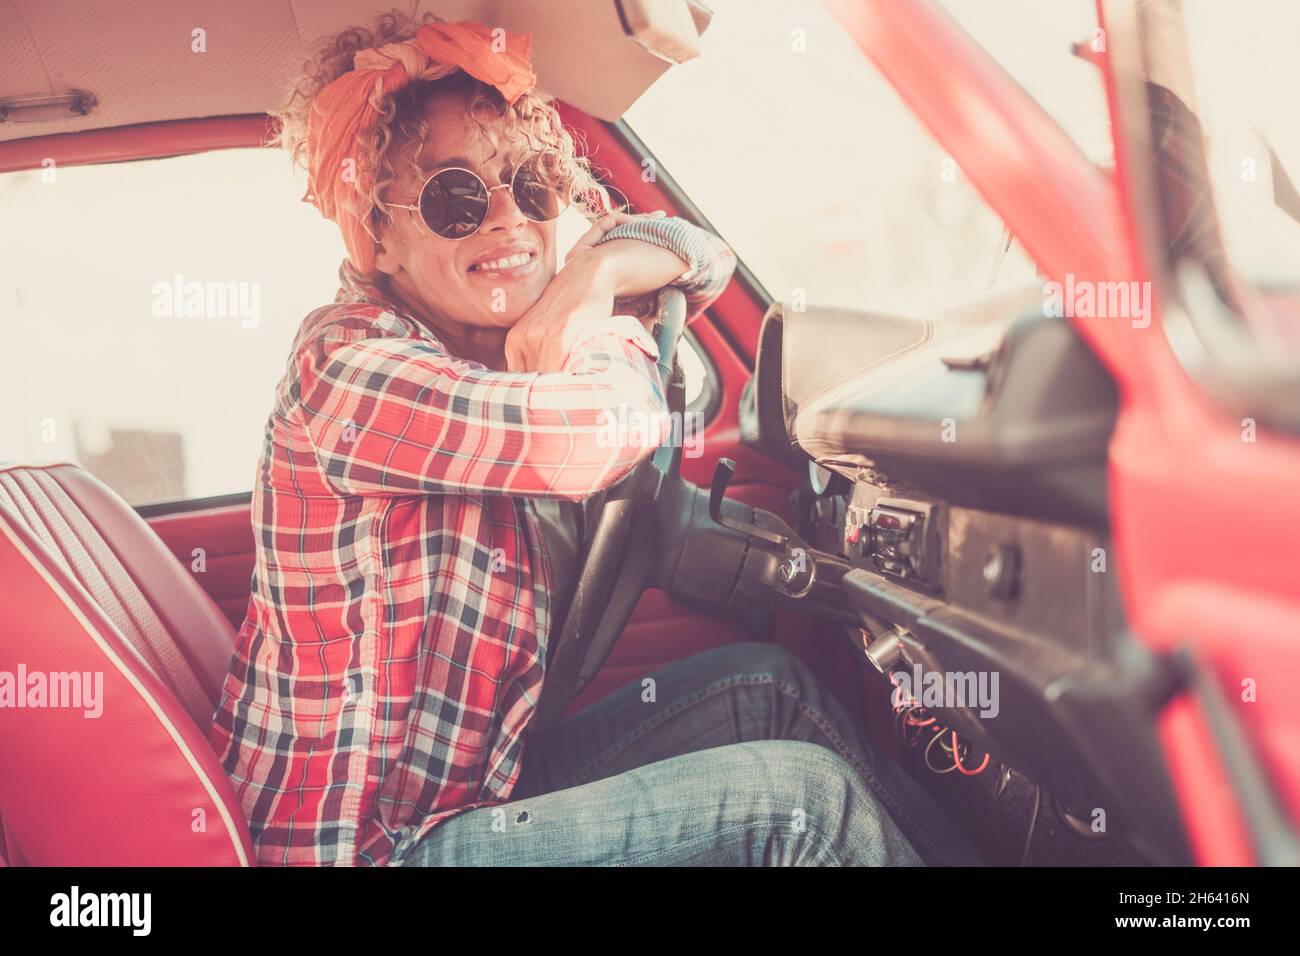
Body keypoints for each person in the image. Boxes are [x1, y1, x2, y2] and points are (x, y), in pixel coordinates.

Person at [209, 11, 979, 867]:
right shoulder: (349, 362)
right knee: (804, 805)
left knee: (769, 687)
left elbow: (700, 255)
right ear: (378, 232)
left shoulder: (498, 348)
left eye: (531, 189)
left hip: (473, 790)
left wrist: (601, 270)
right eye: (454, 198)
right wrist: (600, 318)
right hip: (373, 849)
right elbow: (597, 434)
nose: (507, 222)